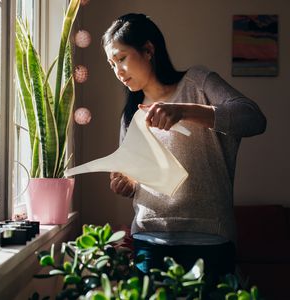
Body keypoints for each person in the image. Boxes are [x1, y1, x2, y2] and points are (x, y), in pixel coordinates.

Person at [102, 13, 267, 289]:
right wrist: (127, 183)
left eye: (121, 58)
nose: (117, 71)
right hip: (148, 241)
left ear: (148, 50)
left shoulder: (198, 82)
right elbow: (136, 177)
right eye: (111, 64)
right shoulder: (131, 113)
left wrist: (183, 111)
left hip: (210, 240)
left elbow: (253, 118)